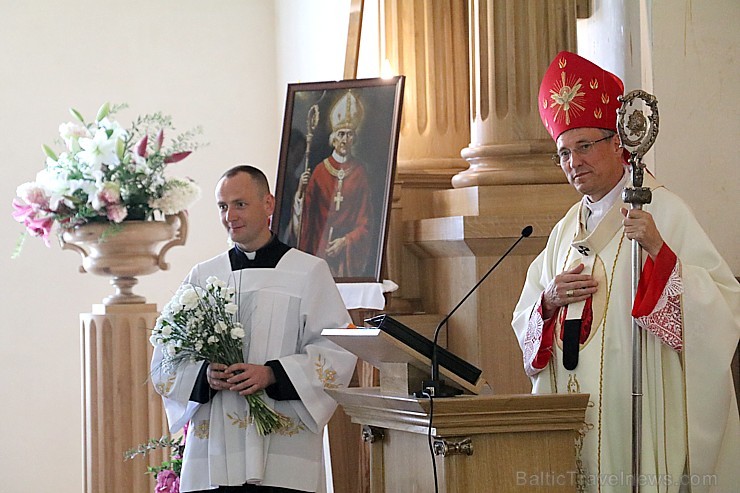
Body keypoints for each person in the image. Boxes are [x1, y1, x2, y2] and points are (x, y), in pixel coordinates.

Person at [512, 51, 739, 492]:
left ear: (618, 143)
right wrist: (549, 302)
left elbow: (722, 307)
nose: (573, 162)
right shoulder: (563, 232)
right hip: (575, 411)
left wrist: (658, 251)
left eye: (583, 146)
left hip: (638, 414)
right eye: (563, 153)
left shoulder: (664, 211)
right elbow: (526, 318)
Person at [151, 165, 358, 493]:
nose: (230, 215)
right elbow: (166, 354)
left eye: (240, 204)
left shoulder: (308, 272)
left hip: (282, 445)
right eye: (222, 206)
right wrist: (204, 375)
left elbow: (338, 350)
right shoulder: (203, 276)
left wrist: (273, 374)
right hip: (217, 443)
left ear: (268, 205)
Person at [287, 90, 374, 278]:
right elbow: (306, 219)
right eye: (341, 134)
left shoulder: (360, 172)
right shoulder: (320, 171)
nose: (345, 139)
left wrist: (346, 241)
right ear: (333, 138)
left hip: (346, 259)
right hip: (320, 251)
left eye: (349, 135)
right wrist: (300, 195)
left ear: (354, 139)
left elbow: (365, 223)